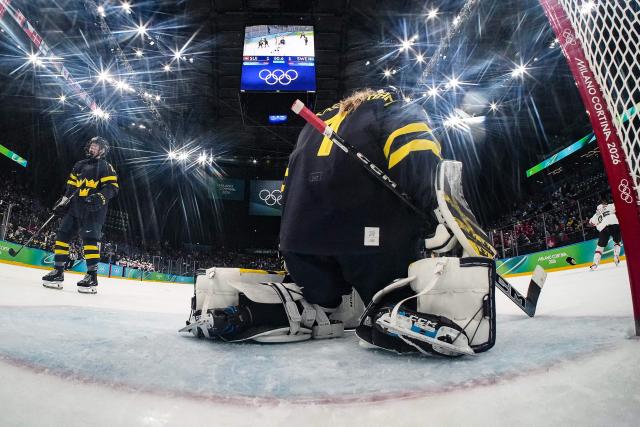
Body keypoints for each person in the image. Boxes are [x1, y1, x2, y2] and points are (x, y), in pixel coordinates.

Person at [279, 87, 442, 310]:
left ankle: (321, 307)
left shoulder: (312, 125)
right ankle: (389, 312)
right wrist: (431, 213)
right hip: (372, 241)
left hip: (300, 244)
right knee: (394, 302)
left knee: (320, 302)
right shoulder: (392, 106)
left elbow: (284, 190)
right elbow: (418, 161)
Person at [42, 136, 119, 293]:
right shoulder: (79, 165)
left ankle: (92, 276)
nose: (92, 148)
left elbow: (112, 188)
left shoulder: (106, 167)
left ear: (102, 150)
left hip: (94, 211)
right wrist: (62, 203)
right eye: (91, 145)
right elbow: (70, 188)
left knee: (90, 241)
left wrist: (99, 197)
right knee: (62, 236)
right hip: (75, 208)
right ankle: (58, 272)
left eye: (96, 146)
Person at [589, 196, 621, 270]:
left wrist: (596, 220)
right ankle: (616, 256)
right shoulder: (611, 205)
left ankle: (595, 264)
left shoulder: (596, 214)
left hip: (604, 227)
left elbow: (591, 223)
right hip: (615, 223)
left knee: (600, 247)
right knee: (617, 242)